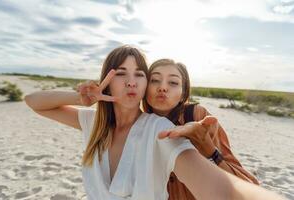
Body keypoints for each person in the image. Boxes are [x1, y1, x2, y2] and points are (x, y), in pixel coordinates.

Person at [25, 45, 284, 200]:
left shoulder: (163, 130)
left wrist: (208, 151)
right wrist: (82, 98)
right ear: (105, 79)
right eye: (121, 74)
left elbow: (226, 190)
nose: (131, 81)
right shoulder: (94, 123)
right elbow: (33, 101)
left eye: (139, 74)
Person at [142, 59, 259, 199]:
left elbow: (247, 185)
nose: (163, 87)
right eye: (155, 80)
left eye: (173, 82)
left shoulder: (198, 117)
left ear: (183, 95)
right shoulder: (138, 125)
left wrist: (207, 147)